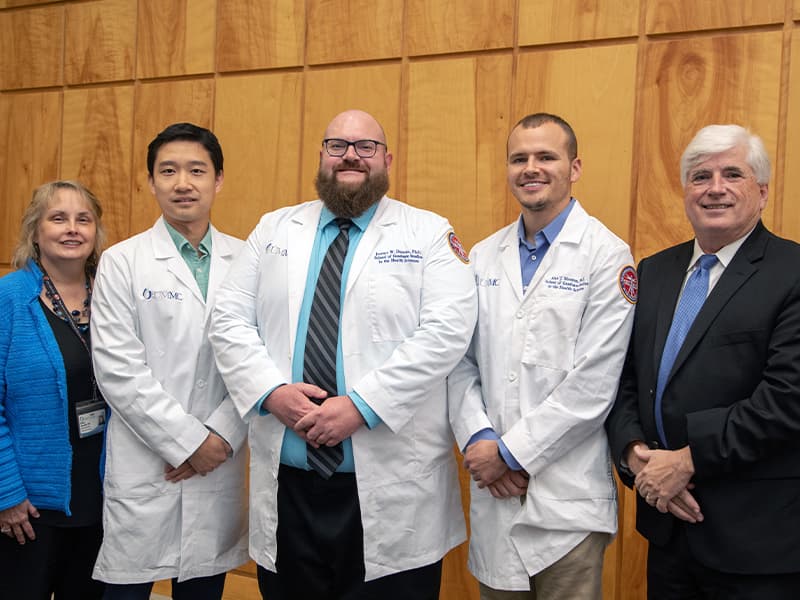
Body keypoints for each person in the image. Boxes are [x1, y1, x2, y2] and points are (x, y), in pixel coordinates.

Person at [209, 109, 477, 600]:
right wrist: (271, 393)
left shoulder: (429, 233)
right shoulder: (273, 229)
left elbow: (446, 332)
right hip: (290, 484)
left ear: (387, 159)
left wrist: (360, 406)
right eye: (337, 145)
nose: (351, 155)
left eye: (366, 146)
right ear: (322, 156)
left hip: (391, 486)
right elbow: (226, 320)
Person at [605, 124, 800, 598]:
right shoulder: (654, 270)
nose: (715, 188)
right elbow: (624, 379)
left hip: (756, 540)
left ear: (763, 192)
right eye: (700, 176)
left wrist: (688, 461)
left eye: (732, 174)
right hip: (667, 527)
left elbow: (787, 398)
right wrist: (636, 456)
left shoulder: (791, 273)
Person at [448, 113, 636, 599]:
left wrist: (510, 454)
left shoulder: (607, 255)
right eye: (519, 158)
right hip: (493, 487)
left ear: (574, 168)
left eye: (546, 157)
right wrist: (481, 439)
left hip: (565, 505)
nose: (531, 168)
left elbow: (595, 383)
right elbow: (459, 363)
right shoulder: (483, 257)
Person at [90, 122, 248, 599]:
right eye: (169, 171)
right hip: (147, 460)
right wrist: (186, 443)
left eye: (197, 170)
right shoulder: (122, 261)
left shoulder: (247, 260)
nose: (183, 183)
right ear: (151, 181)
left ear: (218, 179)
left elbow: (259, 362)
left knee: (203, 588)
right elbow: (118, 370)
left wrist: (219, 438)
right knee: (128, 590)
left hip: (220, 460)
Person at [0, 180, 107, 599]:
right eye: (57, 218)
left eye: (84, 219)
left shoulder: (113, 295)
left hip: (101, 497)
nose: (72, 229)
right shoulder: (8, 299)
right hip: (28, 506)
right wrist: (6, 493)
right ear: (35, 230)